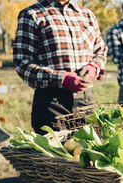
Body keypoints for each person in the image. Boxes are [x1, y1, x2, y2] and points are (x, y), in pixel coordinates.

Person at [13, 0, 107, 134]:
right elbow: (22, 63)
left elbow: (100, 52)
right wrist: (61, 78)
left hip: (86, 102)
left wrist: (94, 67)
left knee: (88, 151)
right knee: (56, 153)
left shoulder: (87, 15)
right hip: (52, 104)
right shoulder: (32, 15)